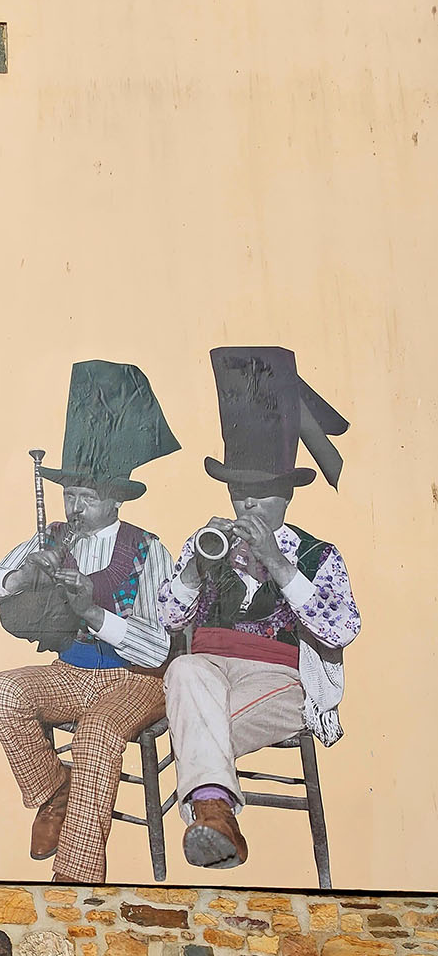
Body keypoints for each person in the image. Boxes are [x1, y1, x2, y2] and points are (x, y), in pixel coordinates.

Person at [0, 360, 179, 885]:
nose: (75, 504)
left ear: (115, 498)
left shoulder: (147, 550)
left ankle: (77, 878)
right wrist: (18, 577)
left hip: (137, 680)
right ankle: (53, 791)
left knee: (98, 730)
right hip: (72, 671)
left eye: (88, 494)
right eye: (70, 492)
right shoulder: (51, 537)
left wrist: (92, 613)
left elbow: (158, 649)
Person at [158, 346, 360, 869]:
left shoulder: (317, 555)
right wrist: (190, 573)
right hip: (208, 673)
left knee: (193, 725)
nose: (248, 506)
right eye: (239, 492)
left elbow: (341, 631)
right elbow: (163, 624)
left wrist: (280, 566)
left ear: (286, 497)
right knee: (183, 668)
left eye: (263, 494)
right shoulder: (208, 542)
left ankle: (209, 805)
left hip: (282, 684)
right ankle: (214, 814)